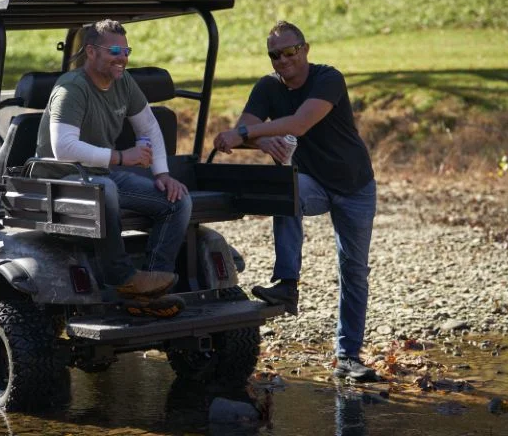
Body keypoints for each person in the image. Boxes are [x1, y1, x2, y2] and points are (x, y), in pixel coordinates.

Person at [213, 20, 378, 382]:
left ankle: (348, 356)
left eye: (290, 51)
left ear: (305, 49)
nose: (283, 60)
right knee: (285, 191)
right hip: (312, 182)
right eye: (275, 54)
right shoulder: (268, 87)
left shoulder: (328, 78)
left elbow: (300, 124)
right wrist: (259, 141)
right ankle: (287, 286)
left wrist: (248, 135)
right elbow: (244, 132)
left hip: (354, 185)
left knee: (353, 270)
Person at [35, 19, 192, 303]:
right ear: (91, 52)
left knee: (177, 200)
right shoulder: (71, 88)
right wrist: (122, 156)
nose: (123, 58)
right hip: (60, 177)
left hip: (101, 173)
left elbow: (149, 127)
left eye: (126, 51)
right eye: (115, 51)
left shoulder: (123, 81)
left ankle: (153, 286)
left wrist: (162, 174)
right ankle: (121, 278)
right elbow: (62, 149)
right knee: (103, 189)